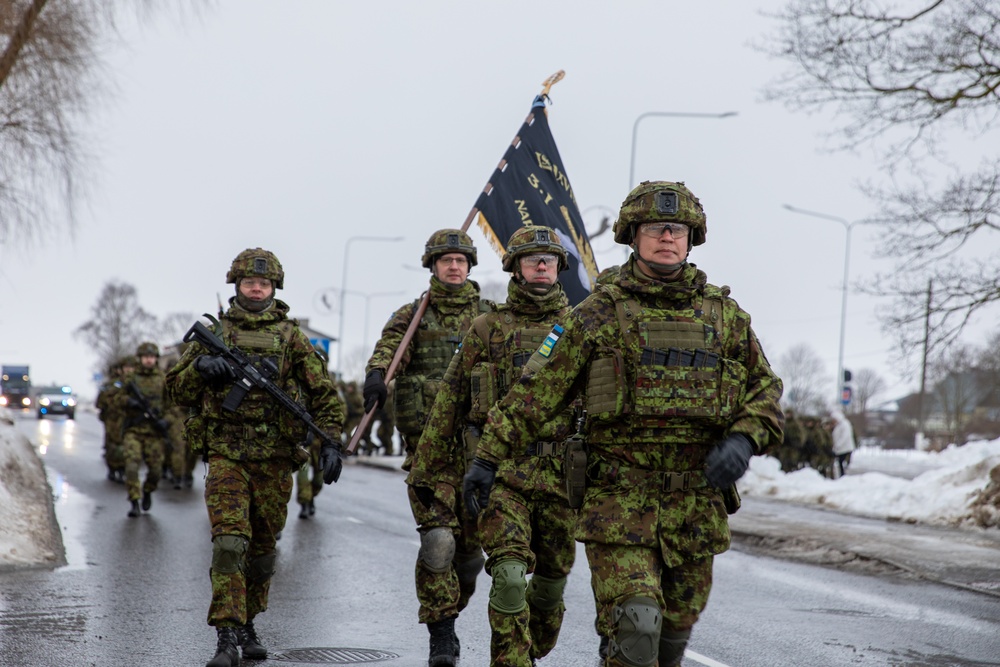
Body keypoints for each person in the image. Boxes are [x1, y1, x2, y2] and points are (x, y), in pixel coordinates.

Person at [463, 181, 784, 667]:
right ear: (632, 236)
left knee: (673, 635)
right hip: (619, 502)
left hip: (695, 506)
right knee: (638, 628)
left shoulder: (725, 317)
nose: (666, 237)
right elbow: (539, 391)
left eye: (675, 229)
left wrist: (744, 438)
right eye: (654, 228)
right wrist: (487, 458)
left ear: (691, 237)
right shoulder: (600, 313)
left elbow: (766, 390)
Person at [165, 248, 345, 667]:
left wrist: (331, 443)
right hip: (227, 454)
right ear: (237, 286)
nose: (257, 288)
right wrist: (202, 368)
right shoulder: (218, 333)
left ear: (274, 288)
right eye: (249, 282)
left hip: (275, 460)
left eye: (263, 283)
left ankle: (248, 621)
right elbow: (174, 390)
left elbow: (324, 396)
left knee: (263, 551)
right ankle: (226, 636)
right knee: (229, 543)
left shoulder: (291, 338)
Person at [410, 226, 577, 666]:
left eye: (549, 259)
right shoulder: (486, 329)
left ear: (559, 267)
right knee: (506, 576)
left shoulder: (581, 329)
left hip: (562, 480)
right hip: (500, 474)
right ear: (515, 268)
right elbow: (449, 402)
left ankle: (528, 648)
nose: (542, 265)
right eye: (532, 258)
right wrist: (425, 475)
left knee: (550, 586)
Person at [363, 228, 491, 666]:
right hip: (429, 452)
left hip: (479, 454)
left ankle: (452, 608)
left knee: (470, 554)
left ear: (470, 266)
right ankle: (441, 635)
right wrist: (377, 375)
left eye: (460, 260)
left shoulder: (490, 314)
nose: (453, 267)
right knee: (439, 543)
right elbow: (388, 351)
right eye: (445, 260)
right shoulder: (413, 314)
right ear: (432, 266)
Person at [119, 342, 170, 518]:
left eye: (152, 357)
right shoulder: (130, 378)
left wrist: (166, 421)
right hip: (134, 430)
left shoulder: (163, 379)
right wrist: (128, 402)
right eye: (145, 357)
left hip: (154, 432)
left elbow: (173, 405)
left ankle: (147, 490)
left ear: (156, 359)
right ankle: (134, 501)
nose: (149, 360)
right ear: (140, 359)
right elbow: (117, 398)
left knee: (156, 471)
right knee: (131, 466)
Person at [96, 355, 132, 483]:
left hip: (130, 418)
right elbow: (100, 402)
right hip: (112, 419)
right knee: (112, 445)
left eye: (131, 367)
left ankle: (122, 469)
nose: (129, 370)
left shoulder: (134, 384)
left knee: (127, 445)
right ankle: (113, 468)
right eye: (126, 368)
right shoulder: (111, 385)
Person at [830, 410, 856, 478]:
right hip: (840, 448)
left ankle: (843, 475)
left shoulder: (845, 424)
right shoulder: (838, 425)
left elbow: (845, 436)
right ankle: (842, 475)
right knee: (840, 462)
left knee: (841, 462)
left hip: (844, 447)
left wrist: (838, 444)